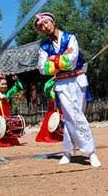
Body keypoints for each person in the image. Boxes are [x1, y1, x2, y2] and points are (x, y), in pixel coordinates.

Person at [35, 12, 101, 167]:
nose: (45, 27)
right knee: (72, 116)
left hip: (78, 80)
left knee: (76, 117)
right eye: (41, 26)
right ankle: (90, 152)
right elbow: (42, 69)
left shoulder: (70, 38)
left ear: (53, 21)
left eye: (46, 23)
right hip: (62, 84)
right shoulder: (44, 47)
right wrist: (61, 58)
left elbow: (72, 62)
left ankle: (68, 152)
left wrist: (54, 59)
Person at [35, 77, 63, 143]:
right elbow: (46, 87)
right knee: (50, 122)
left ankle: (58, 135)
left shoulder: (61, 86)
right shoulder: (50, 89)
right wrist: (53, 79)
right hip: (52, 108)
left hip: (59, 107)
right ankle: (49, 136)